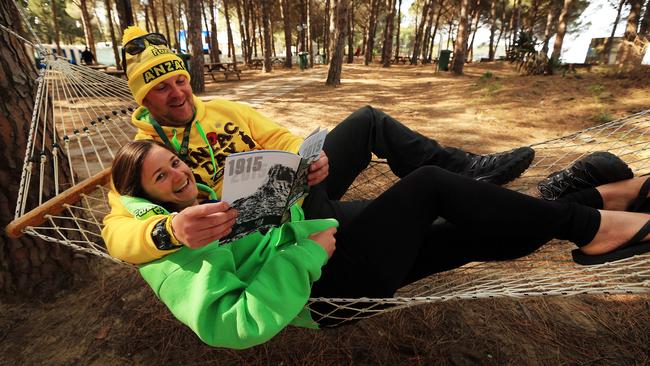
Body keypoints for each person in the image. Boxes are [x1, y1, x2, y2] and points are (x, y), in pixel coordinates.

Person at [110, 139, 650, 349]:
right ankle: (594, 225)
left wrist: (296, 195)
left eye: (175, 162)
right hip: (325, 292)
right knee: (429, 185)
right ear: (146, 197)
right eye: (163, 176)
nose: (179, 175)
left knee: (469, 237)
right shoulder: (167, 255)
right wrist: (307, 252)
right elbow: (230, 326)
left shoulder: (205, 206)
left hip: (331, 258)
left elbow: (263, 240)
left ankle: (602, 194)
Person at [103, 26, 536, 264]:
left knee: (368, 120)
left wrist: (310, 157)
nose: (177, 93)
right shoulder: (145, 156)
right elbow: (116, 231)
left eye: (180, 79)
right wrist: (169, 229)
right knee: (410, 216)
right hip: (256, 234)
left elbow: (280, 137)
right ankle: (510, 212)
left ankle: (469, 169)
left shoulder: (224, 109)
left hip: (294, 191)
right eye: (161, 89)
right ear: (144, 98)